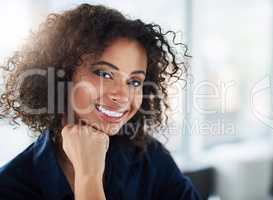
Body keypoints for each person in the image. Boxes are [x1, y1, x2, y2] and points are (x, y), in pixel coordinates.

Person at [0, 3, 203, 200]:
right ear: (62, 76)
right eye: (104, 74)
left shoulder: (150, 158)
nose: (122, 95)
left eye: (134, 81)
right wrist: (89, 177)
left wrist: (89, 179)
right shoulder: (10, 187)